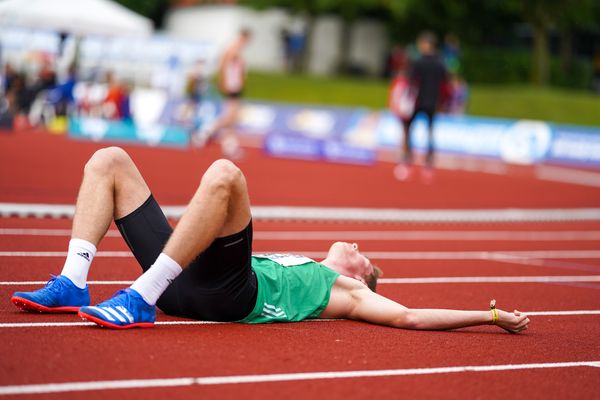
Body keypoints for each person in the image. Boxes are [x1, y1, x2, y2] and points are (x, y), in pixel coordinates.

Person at [11, 147, 529, 333]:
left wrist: (488, 316)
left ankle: (140, 298)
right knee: (110, 161)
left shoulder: (348, 294)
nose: (356, 245)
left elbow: (411, 316)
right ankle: (75, 282)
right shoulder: (299, 260)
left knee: (226, 174)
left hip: (230, 295)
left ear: (360, 276)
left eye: (366, 257)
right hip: (188, 278)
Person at [394, 31, 448, 183]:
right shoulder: (440, 64)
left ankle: (407, 162)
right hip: (433, 103)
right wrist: (443, 102)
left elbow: (411, 84)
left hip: (417, 102)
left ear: (425, 44)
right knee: (430, 132)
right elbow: (445, 86)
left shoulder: (417, 63)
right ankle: (428, 165)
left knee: (408, 130)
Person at [193, 29, 252, 159]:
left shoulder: (236, 49)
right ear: (244, 37)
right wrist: (223, 81)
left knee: (232, 118)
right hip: (232, 87)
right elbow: (224, 65)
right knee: (229, 117)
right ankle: (204, 132)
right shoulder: (233, 48)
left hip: (235, 86)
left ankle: (229, 147)